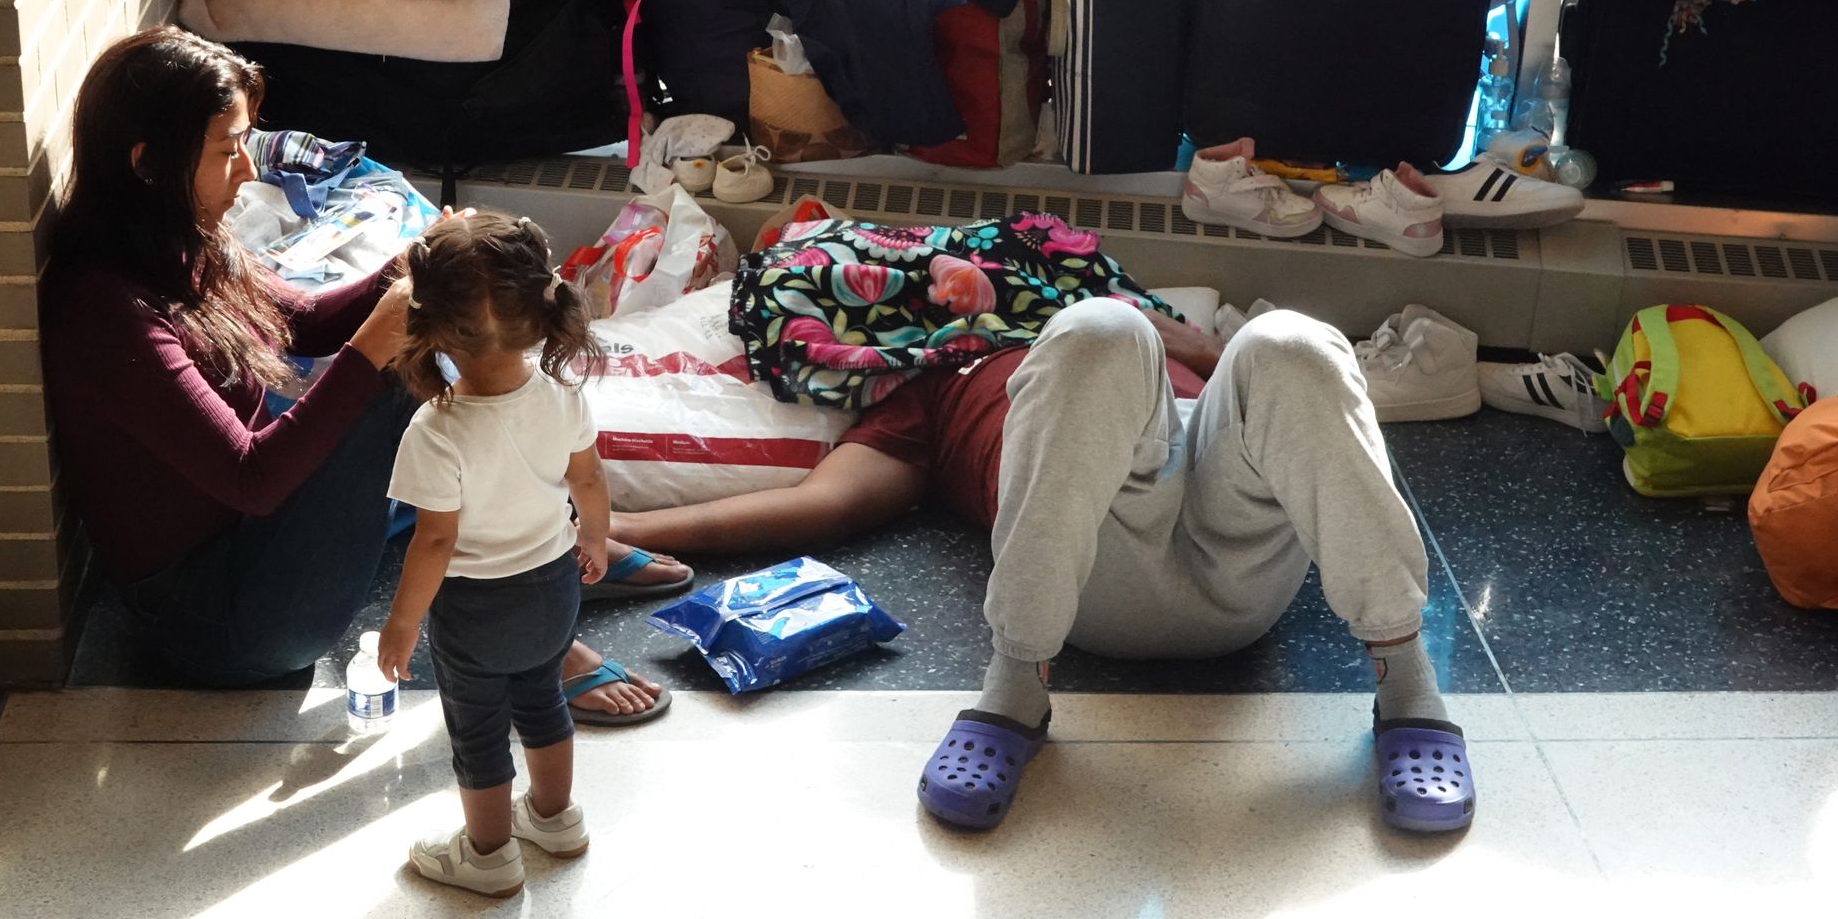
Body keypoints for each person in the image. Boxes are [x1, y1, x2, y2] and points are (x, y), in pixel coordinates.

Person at [611, 299, 1477, 833]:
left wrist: (1208, 344)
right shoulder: (937, 386)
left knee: (1286, 339)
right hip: (1097, 570)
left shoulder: (1128, 322)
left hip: (1238, 540)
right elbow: (823, 505)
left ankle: (1406, 680)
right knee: (1095, 332)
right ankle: (1016, 686)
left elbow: (1280, 395)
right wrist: (622, 524)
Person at [41, 26, 681, 719]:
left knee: (430, 326)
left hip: (258, 536)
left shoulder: (179, 239)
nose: (248, 173)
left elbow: (303, 319)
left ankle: (544, 546)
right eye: (228, 152)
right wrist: (375, 346)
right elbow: (250, 479)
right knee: (402, 370)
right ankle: (531, 615)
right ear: (147, 162)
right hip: (218, 620)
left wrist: (415, 260)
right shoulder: (106, 310)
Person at [377, 212, 606, 898]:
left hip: (477, 609)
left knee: (478, 732)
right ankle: (556, 818)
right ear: (538, 311)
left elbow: (436, 540)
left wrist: (402, 621)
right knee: (543, 701)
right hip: (555, 587)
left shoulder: (436, 431)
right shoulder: (562, 394)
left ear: (432, 325)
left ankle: (488, 855)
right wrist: (593, 537)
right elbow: (588, 479)